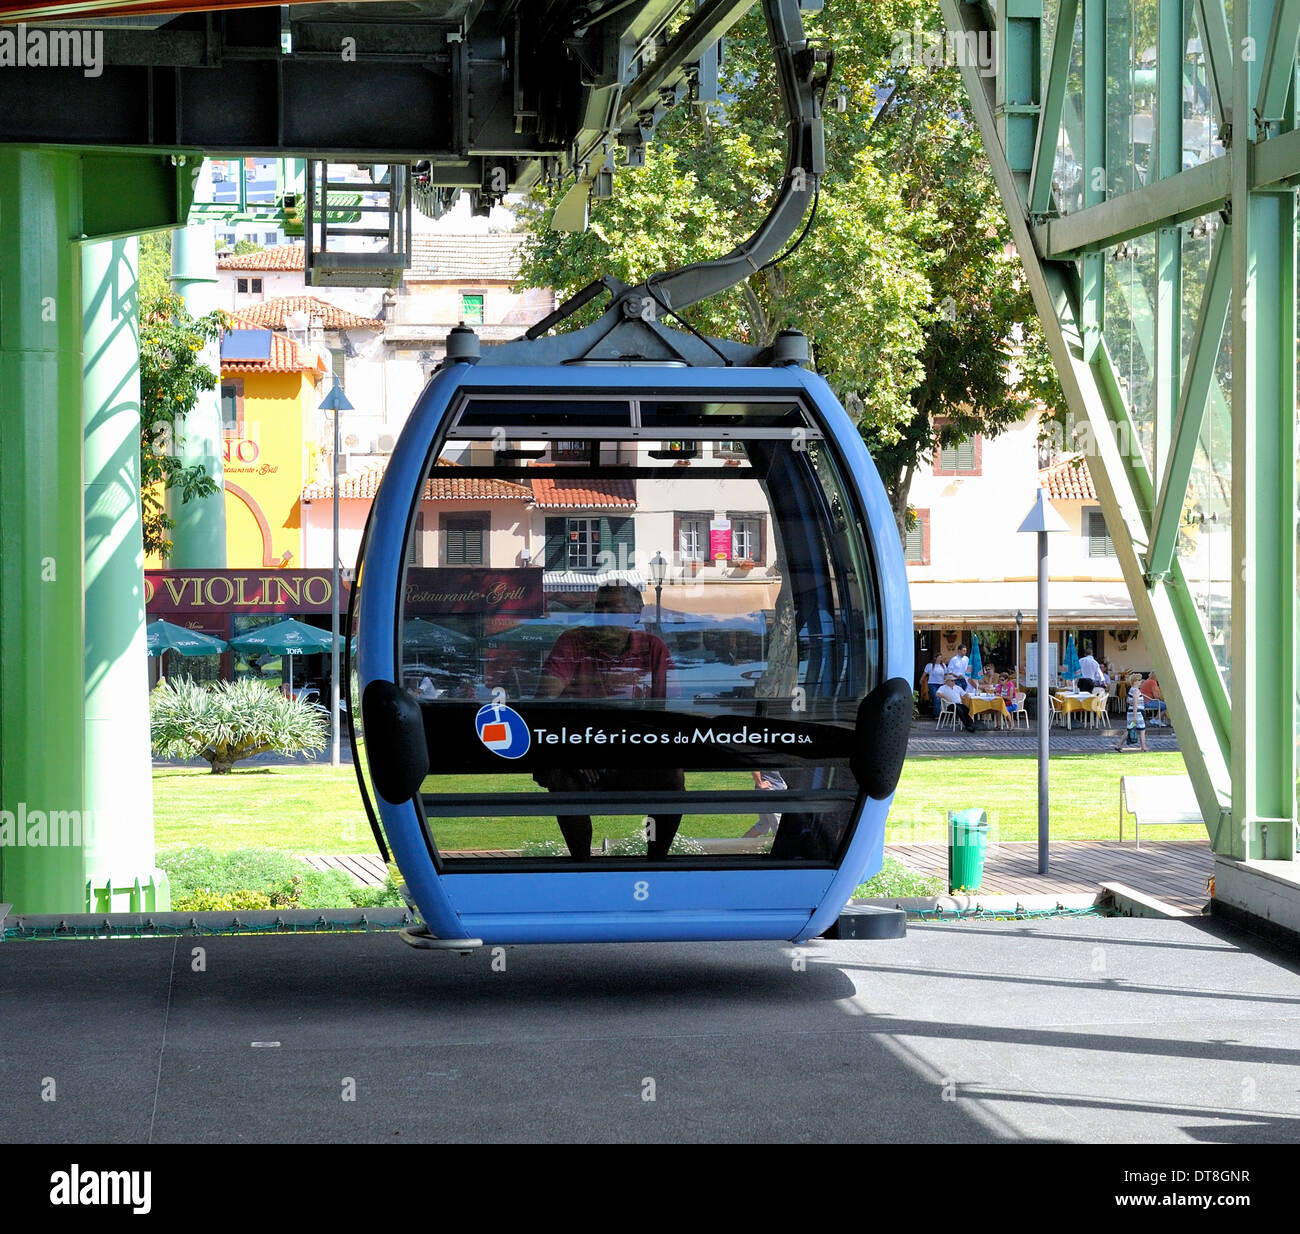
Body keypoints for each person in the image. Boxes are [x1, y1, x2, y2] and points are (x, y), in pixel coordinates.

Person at [535, 582, 682, 860]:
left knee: (671, 775)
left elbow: (665, 713)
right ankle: (582, 864)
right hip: (581, 748)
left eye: (612, 609)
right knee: (564, 775)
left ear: (635, 615)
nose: (603, 616)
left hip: (636, 753)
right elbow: (545, 701)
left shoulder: (653, 648)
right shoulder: (572, 642)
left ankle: (656, 862)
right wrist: (573, 749)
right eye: (599, 608)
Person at [1114, 680, 1149, 752]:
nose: (1141, 682)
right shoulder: (1136, 691)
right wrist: (1135, 717)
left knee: (1130, 729)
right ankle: (1143, 747)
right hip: (1137, 713)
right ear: (1135, 681)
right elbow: (1135, 704)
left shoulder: (1131, 689)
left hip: (1131, 712)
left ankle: (1118, 745)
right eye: (1139, 680)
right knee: (1142, 729)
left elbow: (1128, 700)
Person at [923, 651, 947, 717]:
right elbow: (924, 674)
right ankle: (936, 714)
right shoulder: (930, 665)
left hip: (941, 684)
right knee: (936, 698)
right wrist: (921, 680)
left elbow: (945, 675)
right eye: (939, 657)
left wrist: (946, 681)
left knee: (940, 699)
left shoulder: (943, 666)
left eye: (941, 658)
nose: (940, 659)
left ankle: (939, 713)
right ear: (935, 658)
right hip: (932, 684)